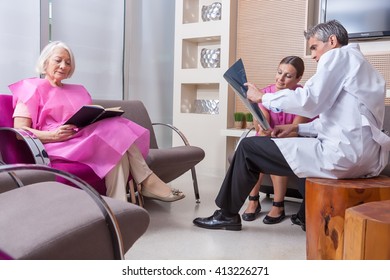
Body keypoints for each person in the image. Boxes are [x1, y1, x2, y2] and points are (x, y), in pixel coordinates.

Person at [193, 20, 390, 231]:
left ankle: (226, 215)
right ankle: (305, 217)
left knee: (248, 149)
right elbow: (339, 122)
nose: (313, 55)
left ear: (331, 41)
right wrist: (296, 129)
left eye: (314, 47)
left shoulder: (338, 56)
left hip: (343, 156)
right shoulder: (363, 67)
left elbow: (309, 101)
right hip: (366, 158)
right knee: (269, 149)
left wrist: (262, 98)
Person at [9, 41, 185, 203]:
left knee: (116, 144)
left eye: (68, 62)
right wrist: (53, 135)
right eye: (58, 60)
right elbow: (20, 132)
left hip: (82, 139)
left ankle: (118, 204)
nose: (64, 66)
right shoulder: (31, 88)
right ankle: (146, 180)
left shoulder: (78, 91)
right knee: (116, 133)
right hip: (57, 144)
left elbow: (87, 118)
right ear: (45, 61)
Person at [242, 56, 311, 224]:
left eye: (288, 75)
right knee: (254, 152)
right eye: (279, 72)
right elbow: (262, 120)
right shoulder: (265, 93)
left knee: (276, 152)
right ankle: (253, 200)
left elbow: (295, 130)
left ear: (298, 78)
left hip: (293, 139)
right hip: (270, 135)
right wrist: (260, 123)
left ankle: (278, 205)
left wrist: (271, 134)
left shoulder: (303, 97)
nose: (281, 78)